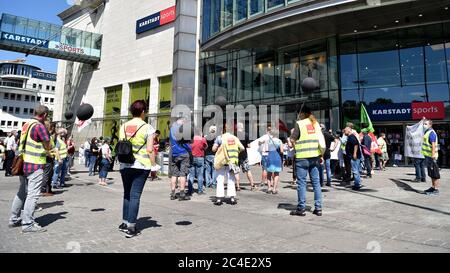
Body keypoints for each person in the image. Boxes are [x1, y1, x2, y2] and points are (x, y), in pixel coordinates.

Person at [9, 105, 53, 233]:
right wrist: (49, 146)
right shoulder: (40, 126)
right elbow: (48, 144)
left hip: (24, 164)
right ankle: (28, 223)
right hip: (35, 164)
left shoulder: (26, 124)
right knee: (32, 195)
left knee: (22, 192)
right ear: (44, 115)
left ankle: (14, 218)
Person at [118, 100, 156, 238]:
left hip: (124, 164)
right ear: (143, 112)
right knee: (135, 195)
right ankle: (131, 227)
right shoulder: (148, 128)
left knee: (127, 194)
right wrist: (154, 166)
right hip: (141, 165)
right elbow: (150, 149)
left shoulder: (123, 126)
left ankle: (124, 223)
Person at [290, 105, 325, 217]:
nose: (298, 115)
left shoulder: (299, 124)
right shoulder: (315, 124)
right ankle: (318, 208)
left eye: (299, 113)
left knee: (301, 183)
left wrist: (293, 142)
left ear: (303, 114)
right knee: (316, 183)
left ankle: (301, 208)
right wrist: (321, 154)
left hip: (302, 158)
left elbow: (292, 140)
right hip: (315, 157)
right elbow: (321, 142)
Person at [212, 124, 245, 205]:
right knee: (231, 179)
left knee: (220, 179)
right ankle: (232, 198)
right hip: (232, 161)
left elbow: (213, 149)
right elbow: (242, 148)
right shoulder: (235, 138)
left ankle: (219, 198)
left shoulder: (220, 138)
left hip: (222, 161)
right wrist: (236, 152)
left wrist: (218, 150)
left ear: (224, 129)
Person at [169, 116, 191, 201]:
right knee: (183, 173)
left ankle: (173, 193)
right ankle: (182, 193)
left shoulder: (171, 129)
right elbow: (185, 143)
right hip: (183, 153)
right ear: (182, 121)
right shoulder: (182, 129)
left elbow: (171, 141)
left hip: (174, 153)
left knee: (174, 174)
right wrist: (189, 148)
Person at [235, 122, 257, 191]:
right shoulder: (246, 135)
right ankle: (252, 185)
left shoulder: (234, 135)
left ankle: (238, 186)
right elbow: (248, 145)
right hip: (244, 155)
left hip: (235, 155)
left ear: (237, 127)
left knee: (236, 171)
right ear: (242, 127)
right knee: (248, 170)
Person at [422, 120, 441, 196]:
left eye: (425, 124)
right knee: (431, 173)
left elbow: (433, 145)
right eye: (424, 124)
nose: (424, 125)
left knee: (435, 173)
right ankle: (433, 187)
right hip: (428, 156)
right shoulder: (427, 132)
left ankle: (436, 189)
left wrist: (433, 156)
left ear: (430, 125)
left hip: (432, 157)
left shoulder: (431, 133)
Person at [188, 129, 207, 195]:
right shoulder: (202, 139)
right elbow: (205, 147)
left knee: (191, 175)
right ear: (200, 133)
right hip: (200, 158)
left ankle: (190, 191)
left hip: (191, 158)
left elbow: (188, 148)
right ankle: (200, 190)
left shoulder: (190, 140)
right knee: (200, 175)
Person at [265, 129, 283, 194]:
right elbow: (281, 151)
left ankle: (269, 188)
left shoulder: (268, 141)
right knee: (276, 173)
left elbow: (266, 150)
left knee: (269, 173)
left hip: (270, 157)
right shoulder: (279, 141)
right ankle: (274, 189)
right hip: (277, 157)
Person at [41, 121, 56, 197]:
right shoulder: (45, 136)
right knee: (46, 175)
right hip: (47, 158)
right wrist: (50, 154)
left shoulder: (48, 136)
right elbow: (45, 149)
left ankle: (47, 189)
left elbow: (52, 147)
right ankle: (43, 190)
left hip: (49, 158)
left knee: (49, 175)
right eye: (51, 127)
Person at [257, 125, 272, 190]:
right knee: (271, 169)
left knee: (264, 169)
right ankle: (271, 182)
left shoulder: (264, 136)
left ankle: (263, 181)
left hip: (265, 153)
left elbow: (259, 143)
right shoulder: (273, 137)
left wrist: (261, 142)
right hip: (271, 154)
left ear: (266, 130)